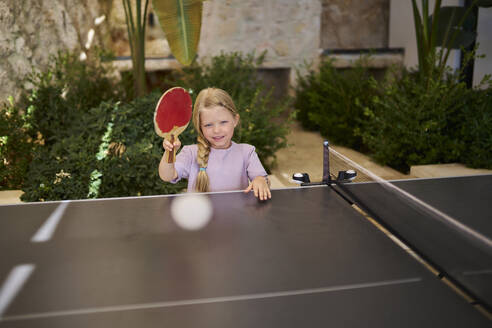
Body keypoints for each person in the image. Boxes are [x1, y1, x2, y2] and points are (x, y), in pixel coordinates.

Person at [159, 87, 271, 200]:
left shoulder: (247, 152)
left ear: (235, 120)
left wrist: (260, 181)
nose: (216, 130)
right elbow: (167, 176)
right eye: (208, 125)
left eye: (223, 122)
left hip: (236, 216)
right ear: (200, 126)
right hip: (199, 217)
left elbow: (261, 178)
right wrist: (169, 152)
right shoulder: (190, 153)